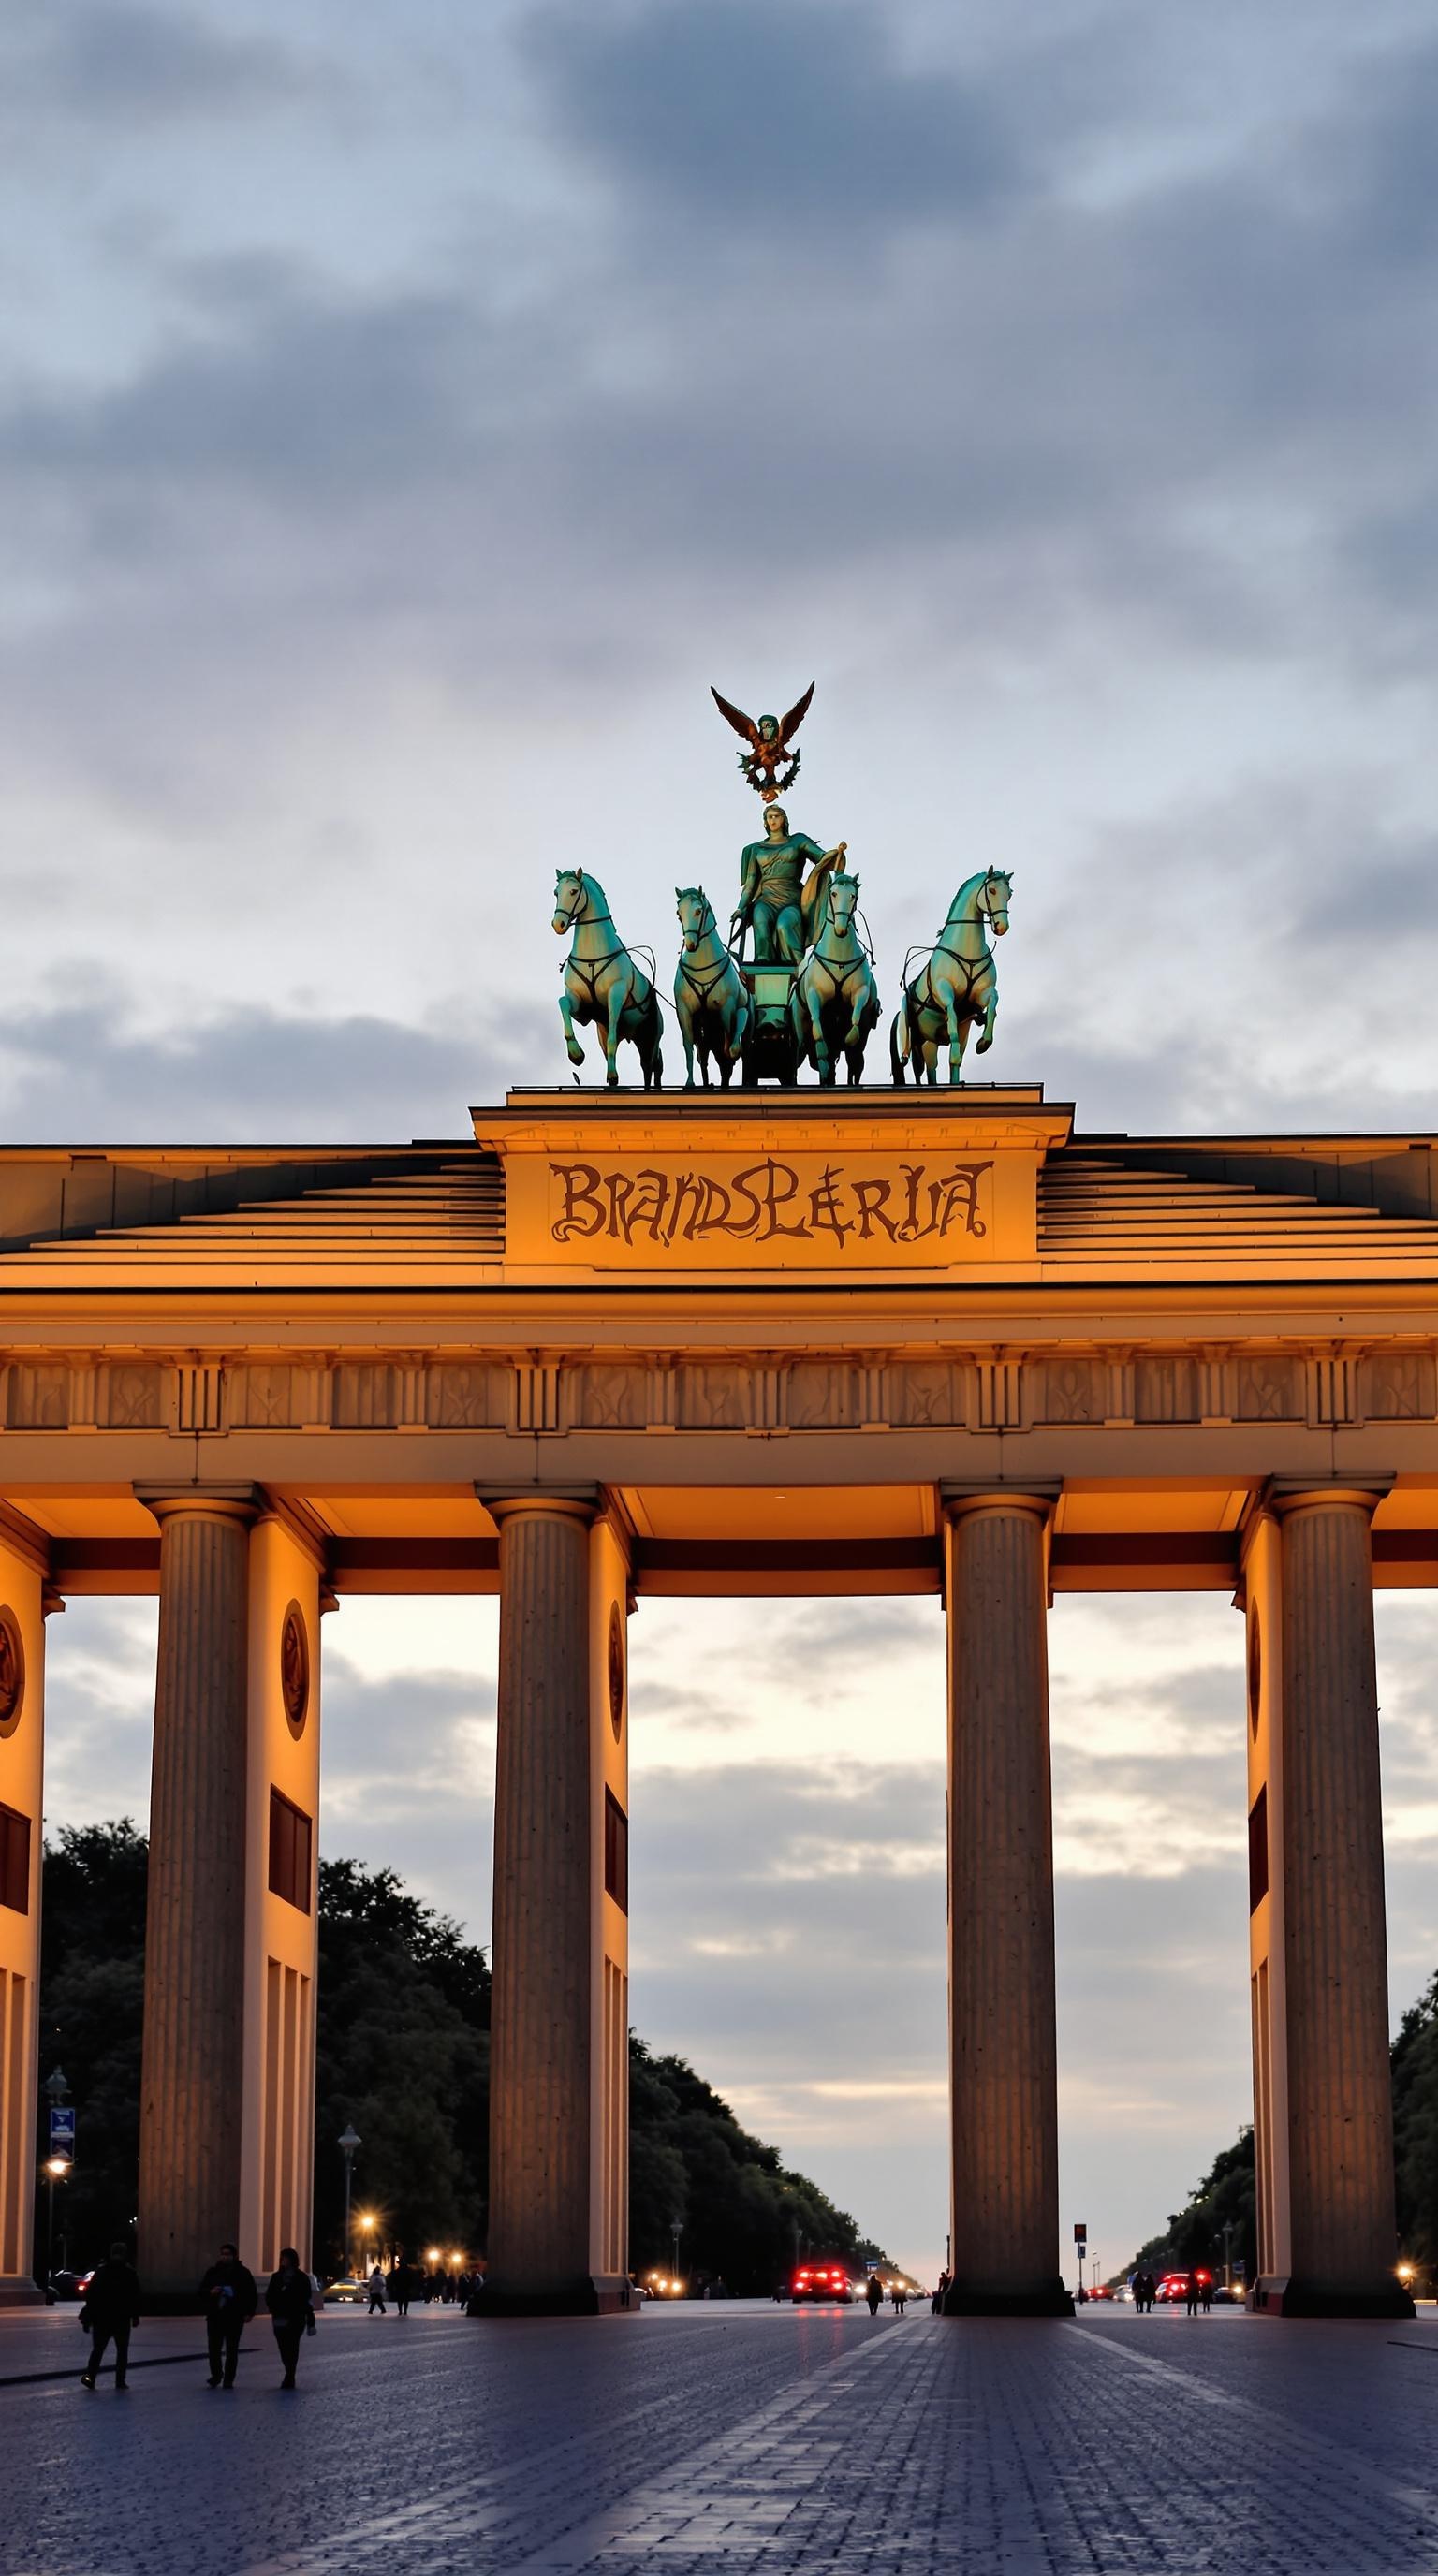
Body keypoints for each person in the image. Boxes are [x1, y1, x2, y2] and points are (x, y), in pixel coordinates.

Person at [732, 804, 847, 965]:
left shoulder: (797, 841)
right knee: (760, 921)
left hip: (792, 900)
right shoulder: (756, 849)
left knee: (784, 926)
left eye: (776, 816)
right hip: (765, 900)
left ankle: (799, 969)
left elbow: (821, 857)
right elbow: (750, 883)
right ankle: (763, 967)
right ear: (765, 822)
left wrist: (836, 854)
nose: (773, 820)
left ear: (784, 819)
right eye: (769, 817)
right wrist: (740, 907)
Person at [80, 2242, 141, 2391]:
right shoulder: (129, 2273)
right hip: (121, 2318)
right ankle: (120, 2381)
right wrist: (135, 2316)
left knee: (98, 2350)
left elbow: (91, 2296)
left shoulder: (101, 2272)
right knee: (122, 2351)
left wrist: (88, 2318)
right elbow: (134, 2296)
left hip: (102, 2318)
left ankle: (90, 2377)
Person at [199, 2241, 257, 2389]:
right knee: (214, 2349)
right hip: (215, 2315)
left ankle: (229, 2378)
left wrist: (249, 2312)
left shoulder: (243, 2273)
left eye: (228, 2255)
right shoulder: (213, 2272)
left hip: (234, 2316)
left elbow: (250, 2294)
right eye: (223, 2254)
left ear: (234, 2256)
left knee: (232, 2349)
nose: (225, 2257)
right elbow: (201, 2290)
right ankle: (216, 2375)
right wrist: (210, 2292)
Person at [265, 2247, 315, 2390]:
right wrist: (273, 2308)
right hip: (279, 2317)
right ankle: (288, 2369)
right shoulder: (276, 2277)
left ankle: (290, 2374)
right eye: (281, 2258)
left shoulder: (302, 2278)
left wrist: (310, 2319)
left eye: (285, 2257)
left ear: (292, 2260)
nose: (282, 2260)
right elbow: (270, 2295)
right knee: (282, 2346)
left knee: (292, 2346)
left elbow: (307, 2299)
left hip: (296, 2318)